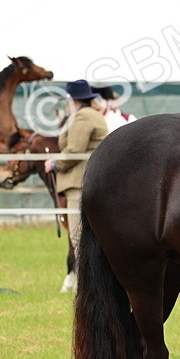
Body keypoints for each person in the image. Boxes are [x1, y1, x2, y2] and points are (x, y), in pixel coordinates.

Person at [46, 80, 109, 263]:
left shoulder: (83, 117)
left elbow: (74, 151)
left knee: (78, 239)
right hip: (89, 180)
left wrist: (54, 163)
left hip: (79, 182)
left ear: (74, 101)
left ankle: (85, 279)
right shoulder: (91, 115)